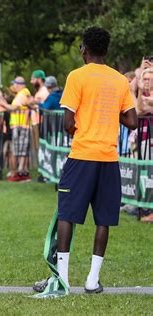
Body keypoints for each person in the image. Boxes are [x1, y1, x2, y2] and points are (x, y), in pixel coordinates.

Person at [36, 27, 137, 295]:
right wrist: (107, 113)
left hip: (82, 156)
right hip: (109, 157)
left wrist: (86, 123)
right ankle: (93, 280)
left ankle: (64, 279)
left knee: (67, 214)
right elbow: (133, 121)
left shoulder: (76, 76)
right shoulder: (119, 80)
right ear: (106, 50)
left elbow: (68, 123)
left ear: (84, 49)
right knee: (103, 219)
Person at [7, 76, 32, 181]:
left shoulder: (24, 92)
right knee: (19, 149)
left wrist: (3, 104)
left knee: (21, 150)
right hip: (19, 125)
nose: (13, 86)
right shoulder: (20, 94)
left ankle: (21, 172)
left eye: (15, 84)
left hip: (22, 125)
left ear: (19, 84)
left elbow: (15, 107)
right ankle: (21, 171)